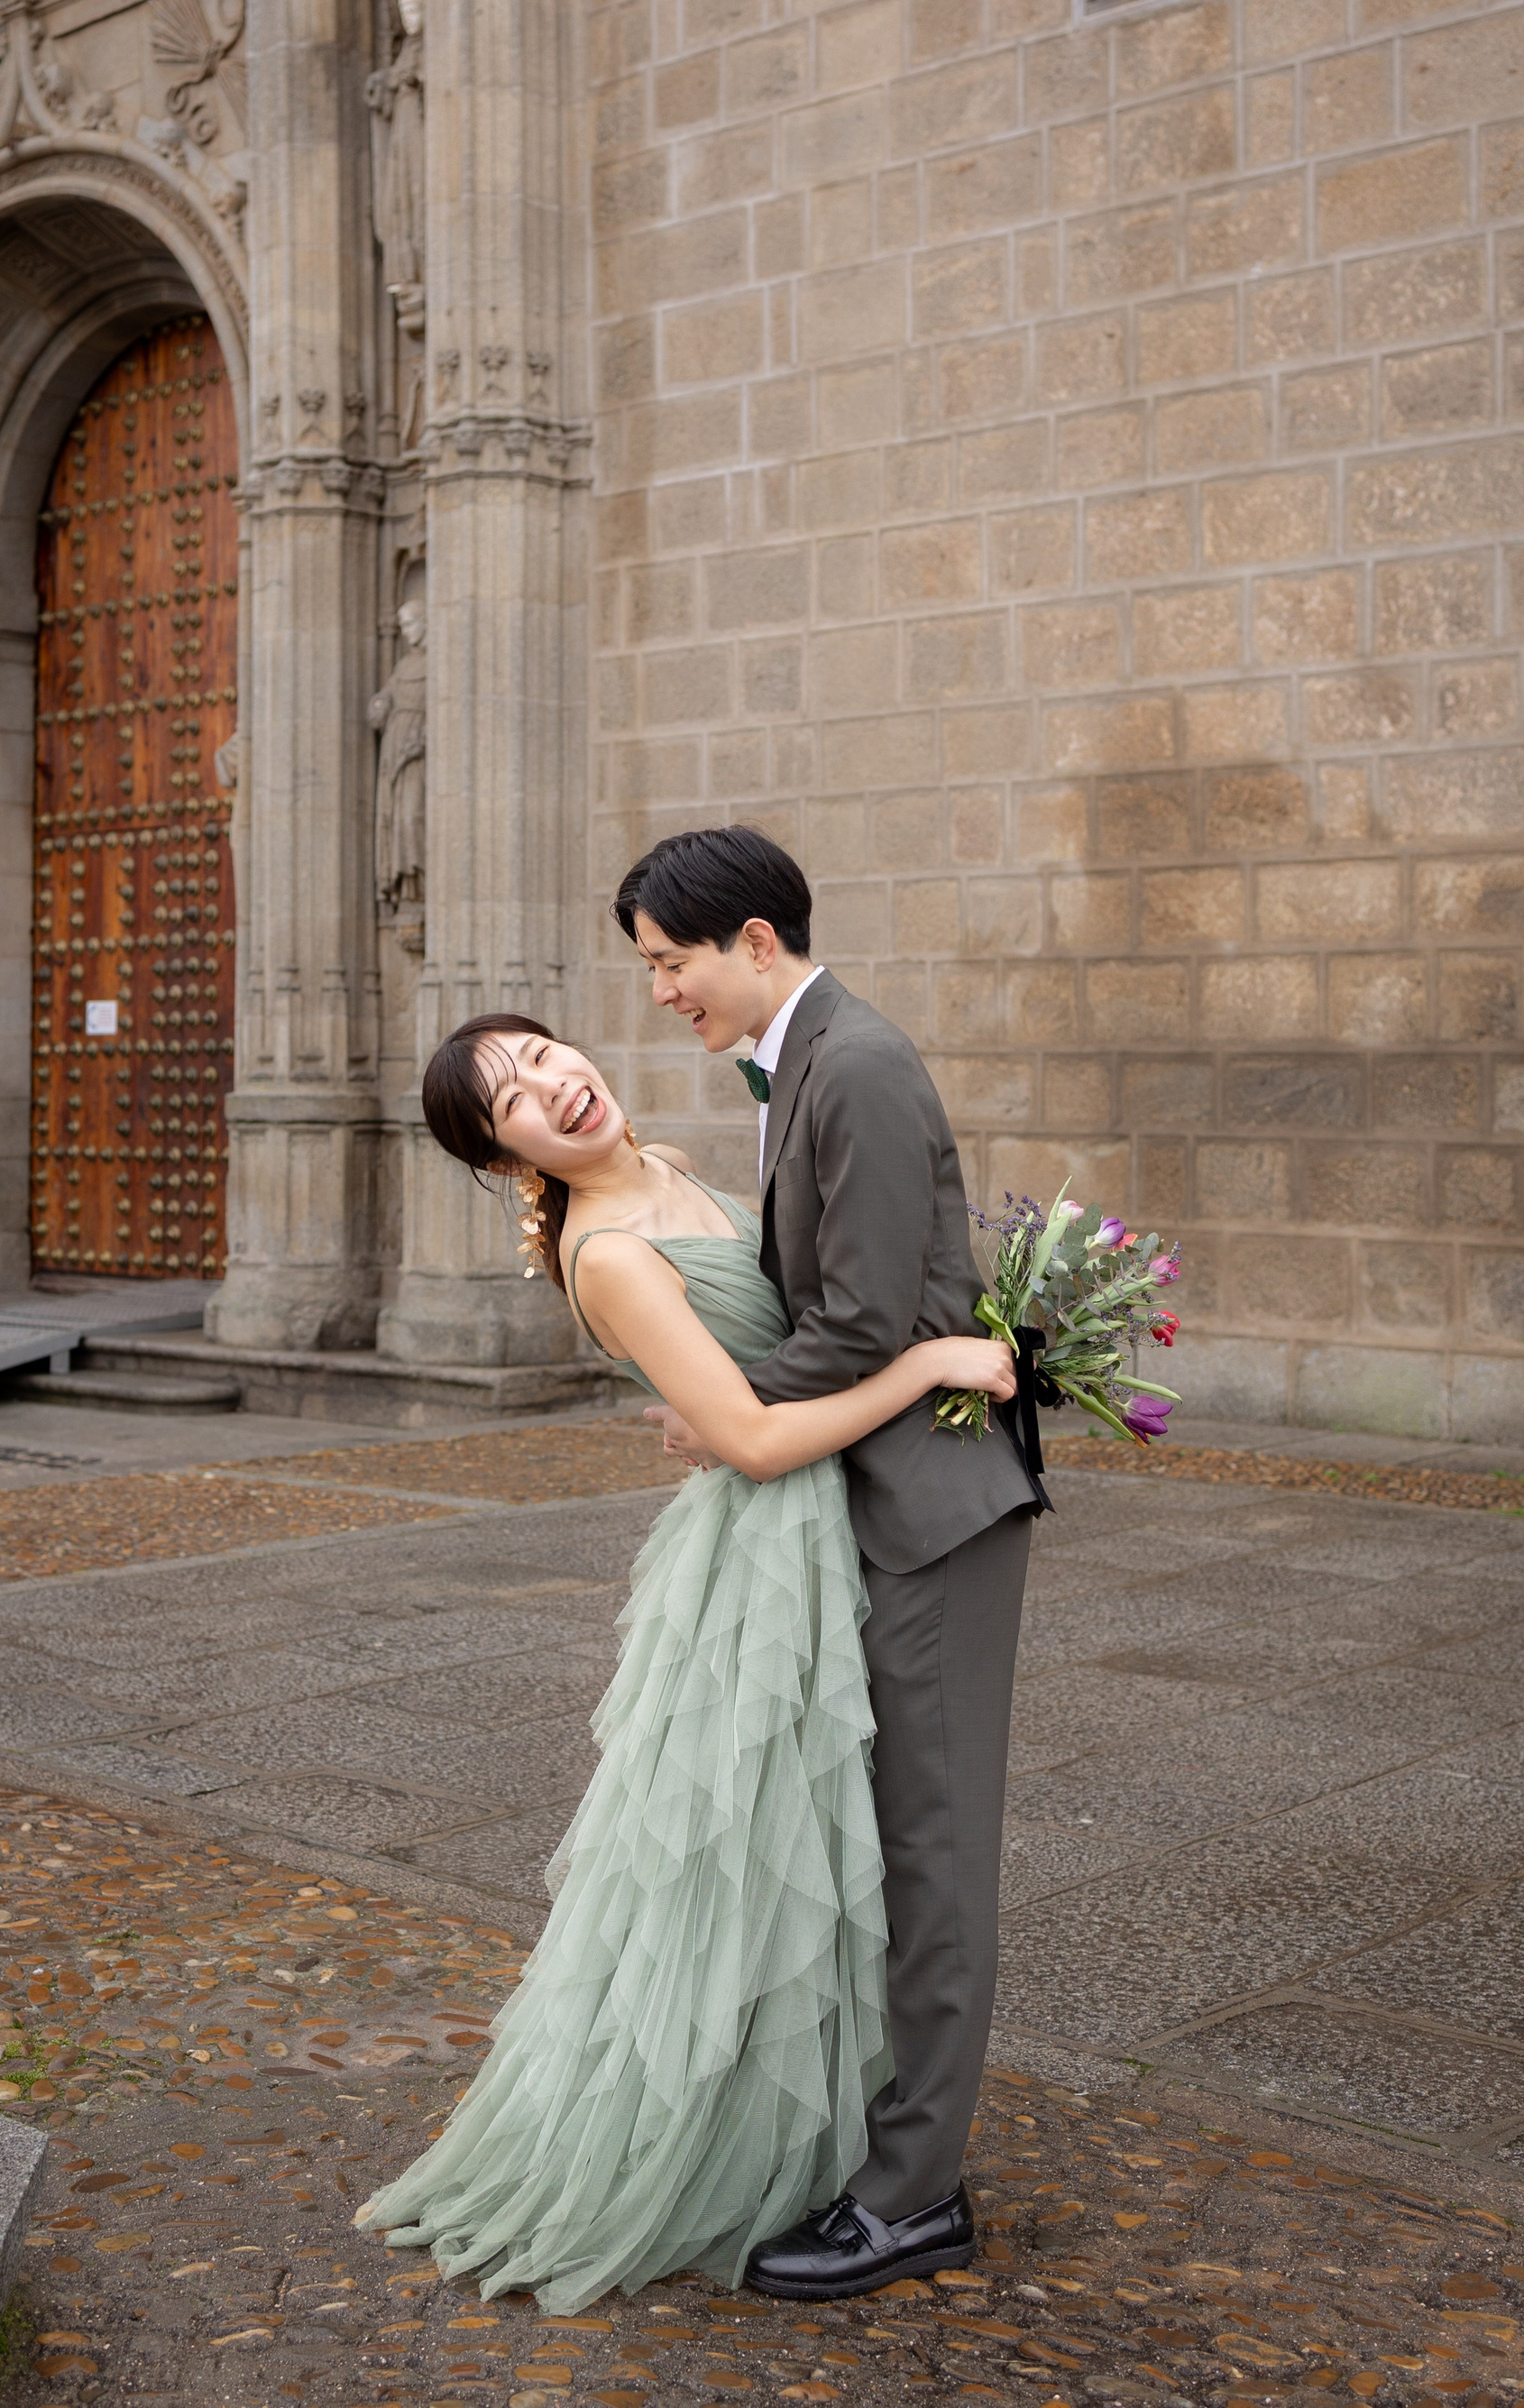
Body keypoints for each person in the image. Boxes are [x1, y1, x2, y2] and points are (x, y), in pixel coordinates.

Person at [351, 1011, 1015, 2311]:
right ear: (506, 1160)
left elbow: (774, 1357)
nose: (554, 1086)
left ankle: (836, 2130)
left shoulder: (668, 1166)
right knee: (751, 1850)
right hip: (767, 1552)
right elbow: (754, 1442)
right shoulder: (606, 1254)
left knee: (824, 1840)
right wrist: (930, 1363)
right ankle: (733, 2143)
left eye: (544, 1055)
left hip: (830, 1517)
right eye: (514, 1100)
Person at [612, 825, 1046, 2302]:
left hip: (933, 1511)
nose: (662, 991)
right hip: (876, 1496)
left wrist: (722, 1412)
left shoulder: (852, 1062)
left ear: (753, 940)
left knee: (932, 1859)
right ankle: (880, 2145)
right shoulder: (799, 1061)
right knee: (883, 1847)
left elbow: (860, 1321)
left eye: (670, 961)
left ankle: (915, 2199)